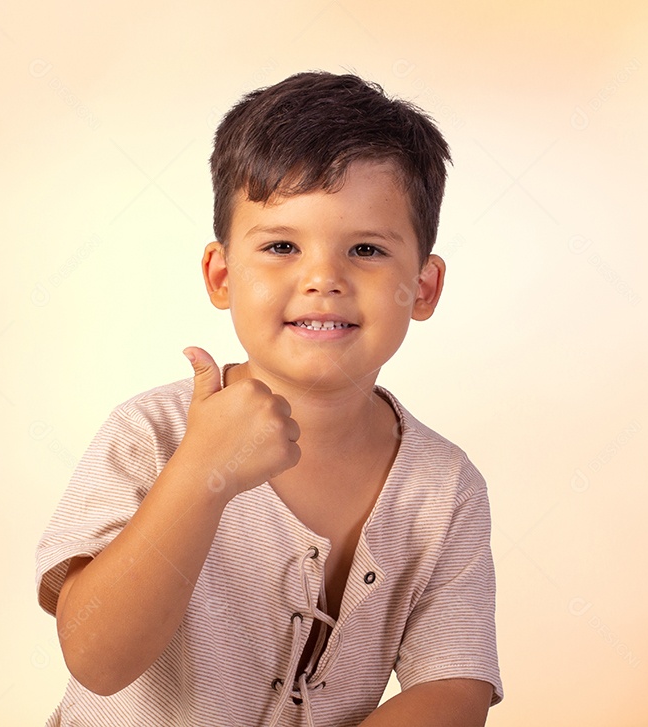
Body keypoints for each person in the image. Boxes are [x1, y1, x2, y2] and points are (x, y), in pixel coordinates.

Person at [35, 70, 503, 726]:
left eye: (365, 249)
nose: (323, 279)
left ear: (423, 287)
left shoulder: (444, 486)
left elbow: (453, 689)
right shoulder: (152, 434)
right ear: (222, 275)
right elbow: (97, 657)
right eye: (282, 246)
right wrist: (202, 472)